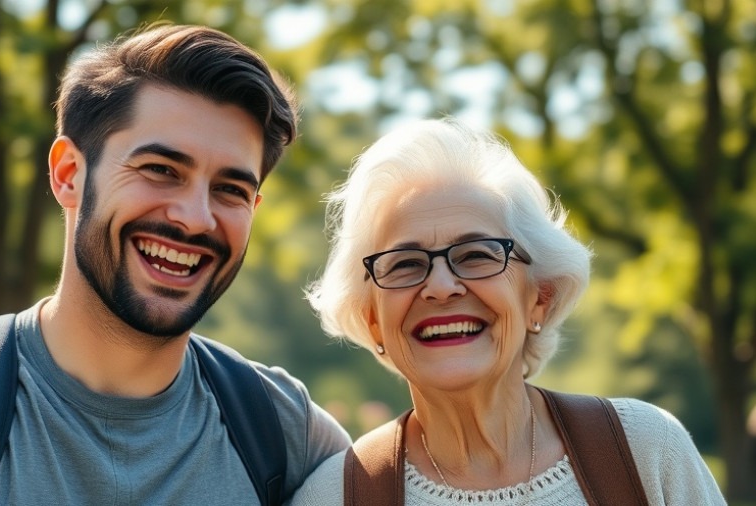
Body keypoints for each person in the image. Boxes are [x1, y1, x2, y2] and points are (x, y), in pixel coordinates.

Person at [0, 23, 350, 505]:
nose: (196, 219)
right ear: (69, 173)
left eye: (230, 190)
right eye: (160, 170)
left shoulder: (286, 436)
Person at [292, 118, 725, 505]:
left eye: (477, 254)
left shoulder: (644, 450)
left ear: (540, 296)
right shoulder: (334, 496)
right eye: (405, 264)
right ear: (372, 318)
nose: (441, 287)